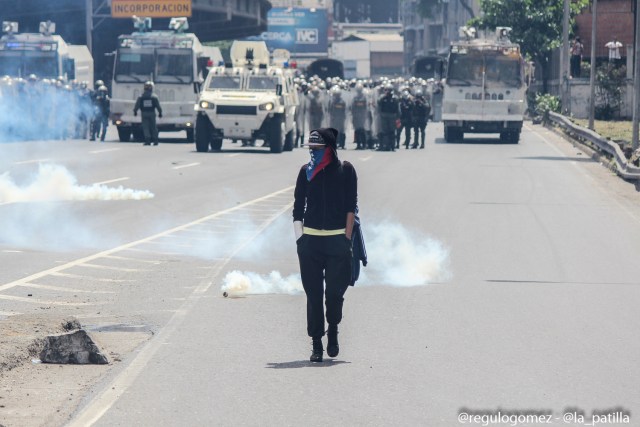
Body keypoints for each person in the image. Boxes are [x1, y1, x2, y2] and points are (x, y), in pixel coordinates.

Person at [293, 128, 358, 363]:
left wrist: (347, 238)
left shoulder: (346, 171)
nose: (313, 154)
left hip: (337, 241)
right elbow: (298, 207)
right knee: (313, 295)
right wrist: (300, 238)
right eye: (311, 149)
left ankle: (333, 330)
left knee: (333, 294)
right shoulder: (305, 173)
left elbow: (351, 206)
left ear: (329, 149)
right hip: (310, 242)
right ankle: (316, 344)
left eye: (317, 150)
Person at [133, 81, 163, 145]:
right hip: (152, 113)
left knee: (145, 127)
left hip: (144, 113)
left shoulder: (141, 97)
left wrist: (135, 111)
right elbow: (158, 106)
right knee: (153, 127)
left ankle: (147, 140)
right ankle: (155, 140)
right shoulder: (154, 97)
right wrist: (160, 113)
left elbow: (137, 105)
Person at [377, 83, 398, 151]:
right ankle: (386, 145)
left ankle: (392, 146)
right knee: (385, 132)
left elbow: (397, 108)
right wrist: (384, 96)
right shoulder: (382, 97)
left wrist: (398, 117)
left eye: (389, 90)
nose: (388, 91)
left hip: (392, 116)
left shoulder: (395, 98)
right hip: (384, 116)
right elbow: (379, 103)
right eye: (387, 90)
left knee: (392, 131)